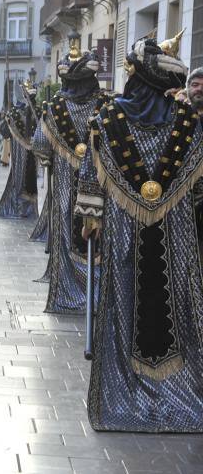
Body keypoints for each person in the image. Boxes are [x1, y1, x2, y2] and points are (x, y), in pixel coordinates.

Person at [75, 32, 203, 432]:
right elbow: (197, 187)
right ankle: (174, 393)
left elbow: (90, 179)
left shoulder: (106, 121)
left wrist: (91, 219)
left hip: (123, 230)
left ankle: (127, 392)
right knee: (178, 305)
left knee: (124, 300)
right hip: (175, 233)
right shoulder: (189, 124)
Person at [32, 32, 103, 314]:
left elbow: (40, 145)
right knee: (97, 235)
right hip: (99, 188)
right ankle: (97, 292)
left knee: (65, 227)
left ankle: (69, 292)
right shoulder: (106, 107)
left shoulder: (54, 110)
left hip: (64, 185)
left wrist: (51, 157)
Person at [0, 82, 39, 219]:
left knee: (29, 180)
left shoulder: (38, 112)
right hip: (19, 153)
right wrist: (6, 119)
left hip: (32, 153)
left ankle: (28, 209)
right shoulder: (13, 113)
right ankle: (20, 208)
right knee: (19, 178)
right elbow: (4, 133)